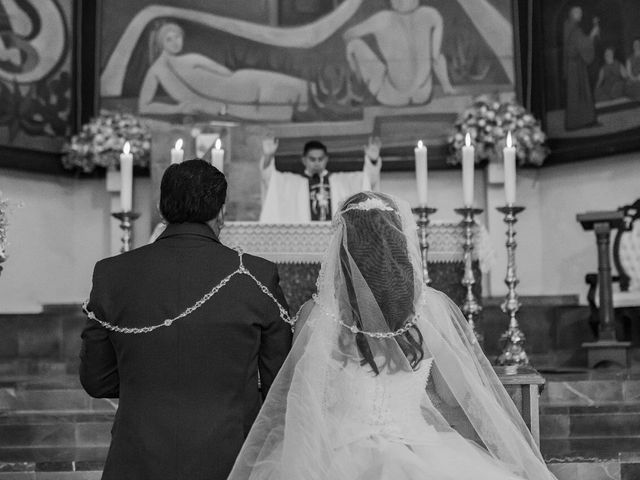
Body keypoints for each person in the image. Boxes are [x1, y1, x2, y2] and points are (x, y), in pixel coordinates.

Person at [229, 191, 558, 480]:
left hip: (338, 456)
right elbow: (453, 394)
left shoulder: (315, 316)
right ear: (399, 243)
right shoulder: (429, 310)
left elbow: (303, 402)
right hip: (420, 449)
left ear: (343, 248)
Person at [80, 160, 292, 480]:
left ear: (161, 210)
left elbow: (96, 380)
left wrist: (150, 383)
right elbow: (279, 380)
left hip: (137, 458)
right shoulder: (256, 274)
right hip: (230, 457)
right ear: (221, 212)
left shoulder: (111, 274)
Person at [138, 22, 310, 121]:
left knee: (303, 94)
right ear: (161, 42)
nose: (176, 42)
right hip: (235, 99)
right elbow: (144, 106)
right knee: (298, 100)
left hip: (245, 84)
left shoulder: (190, 58)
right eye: (169, 39)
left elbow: (224, 72)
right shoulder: (158, 70)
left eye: (178, 37)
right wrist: (177, 109)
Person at [343, 0, 455, 106]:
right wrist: (447, 86)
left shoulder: (382, 19)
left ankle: (358, 90)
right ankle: (360, 89)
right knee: (437, 54)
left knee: (354, 44)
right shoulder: (432, 15)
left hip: (392, 97)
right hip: (422, 94)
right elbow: (436, 57)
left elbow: (348, 35)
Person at [259, 136, 382, 222]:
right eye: (312, 159)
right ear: (304, 160)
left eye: (320, 159)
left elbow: (367, 181)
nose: (317, 163)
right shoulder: (291, 183)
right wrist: (268, 156)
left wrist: (373, 160)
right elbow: (270, 180)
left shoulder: (341, 182)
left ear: (326, 159)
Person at [562, 6, 599, 130]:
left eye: (581, 12)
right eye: (578, 12)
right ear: (572, 13)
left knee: (583, 93)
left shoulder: (572, 26)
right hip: (574, 67)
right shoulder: (572, 27)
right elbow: (581, 44)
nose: (580, 14)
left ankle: (587, 120)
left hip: (578, 65)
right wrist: (592, 35)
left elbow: (580, 43)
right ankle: (575, 124)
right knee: (576, 93)